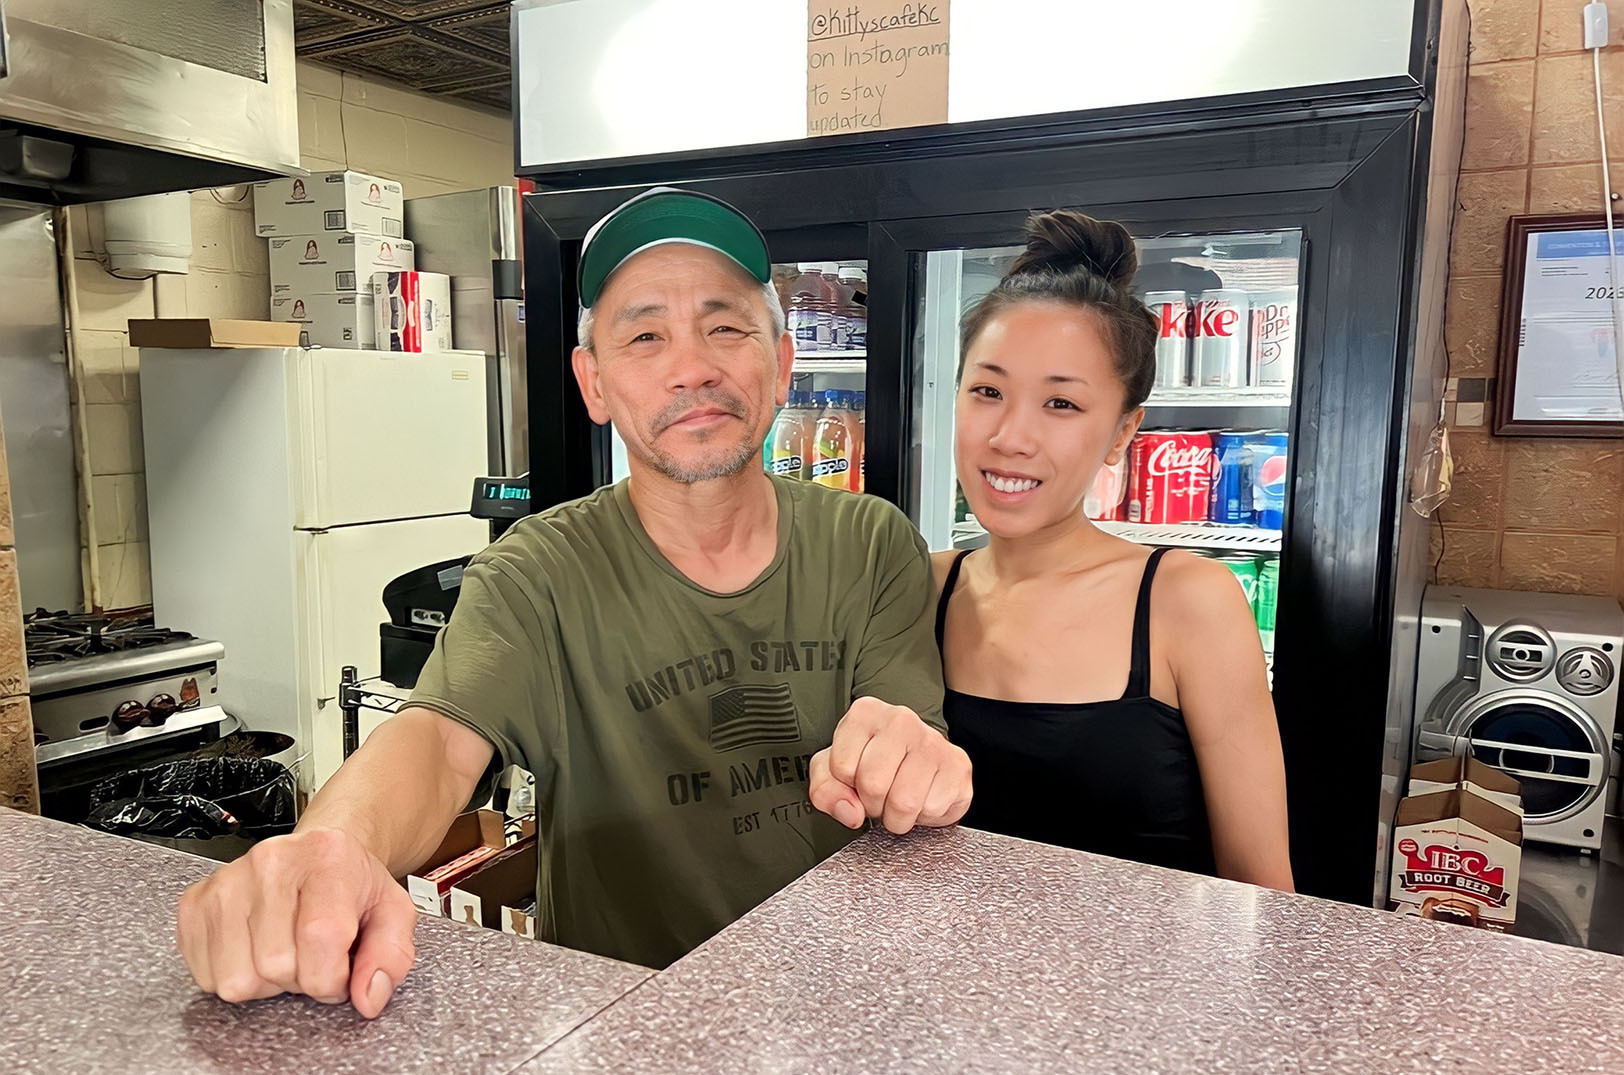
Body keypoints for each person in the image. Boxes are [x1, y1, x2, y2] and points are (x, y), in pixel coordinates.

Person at [176, 187, 972, 1015]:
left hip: (842, 1001)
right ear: (593, 384)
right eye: (644, 334)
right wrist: (334, 847)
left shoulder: (871, 542)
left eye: (726, 326)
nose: (691, 364)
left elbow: (904, 724)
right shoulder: (537, 575)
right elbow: (438, 741)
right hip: (625, 1014)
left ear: (780, 362)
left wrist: (911, 760)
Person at [934, 209, 1293, 890]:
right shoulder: (918, 587)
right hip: (944, 991)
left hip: (1149, 996)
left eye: (1061, 404)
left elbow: (1261, 889)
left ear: (1124, 430)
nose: (1011, 435)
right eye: (987, 390)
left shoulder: (1187, 602)